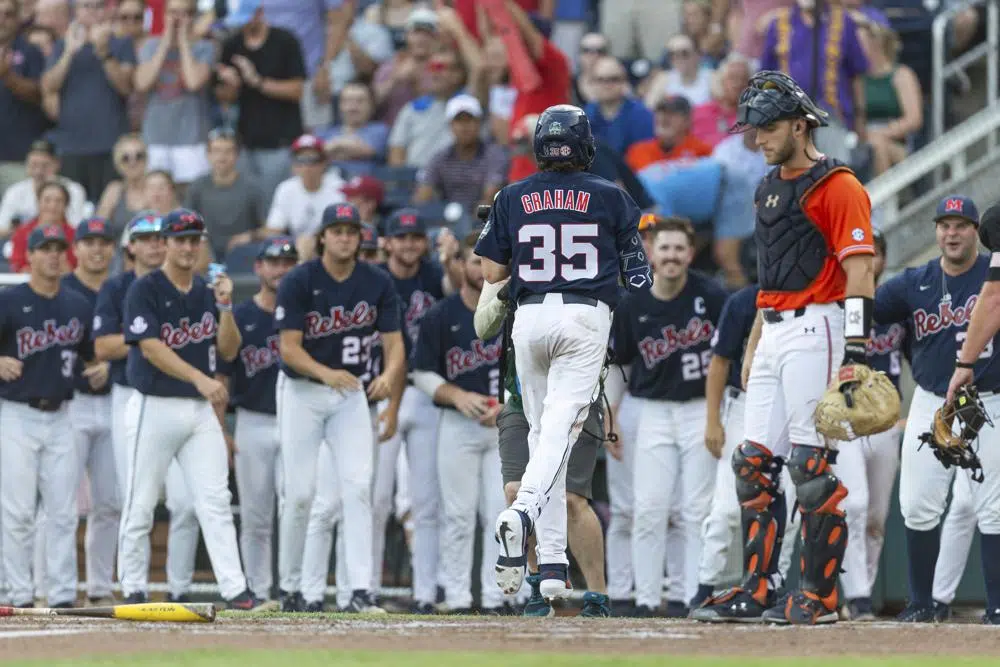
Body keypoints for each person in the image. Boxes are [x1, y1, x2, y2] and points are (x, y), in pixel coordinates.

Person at [692, 70, 875, 625]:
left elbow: (861, 270)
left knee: (811, 466)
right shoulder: (768, 185)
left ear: (801, 124)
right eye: (752, 127)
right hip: (773, 327)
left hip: (818, 326)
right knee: (752, 464)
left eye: (768, 127)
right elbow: (769, 278)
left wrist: (857, 351)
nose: (757, 137)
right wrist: (754, 341)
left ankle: (819, 596)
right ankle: (757, 588)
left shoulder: (839, 185)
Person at [474, 104, 652, 600]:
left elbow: (491, 273)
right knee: (555, 437)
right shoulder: (610, 195)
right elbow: (639, 275)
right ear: (585, 144)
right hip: (583, 315)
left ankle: (551, 568)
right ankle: (523, 510)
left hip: (528, 318)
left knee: (540, 437)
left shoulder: (511, 195)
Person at [118, 208, 265, 610]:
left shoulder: (206, 292)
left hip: (198, 411)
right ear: (164, 243)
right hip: (154, 405)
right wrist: (199, 377)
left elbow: (230, 349)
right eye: (180, 239)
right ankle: (133, 586)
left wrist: (227, 307)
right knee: (141, 503)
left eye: (194, 239)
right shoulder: (144, 289)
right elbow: (150, 347)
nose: (187, 246)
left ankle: (236, 589)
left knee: (215, 501)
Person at [274, 202, 405, 614]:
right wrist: (325, 373)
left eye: (352, 230)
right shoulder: (299, 279)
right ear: (323, 237)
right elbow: (288, 349)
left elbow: (395, 344)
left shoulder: (377, 281)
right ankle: (291, 587)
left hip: (352, 394)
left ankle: (361, 591)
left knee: (358, 488)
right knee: (299, 494)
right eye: (337, 230)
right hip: (304, 391)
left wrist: (390, 373)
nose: (345, 237)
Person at [878, 196, 1000, 624]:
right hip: (934, 401)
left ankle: (997, 607)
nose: (952, 233)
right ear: (936, 231)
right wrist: (854, 352)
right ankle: (921, 603)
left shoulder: (993, 270)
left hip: (989, 400)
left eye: (961, 225)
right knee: (917, 504)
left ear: (975, 231)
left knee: (993, 506)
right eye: (944, 225)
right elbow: (865, 306)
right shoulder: (915, 281)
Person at [606, 217, 729, 617]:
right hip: (652, 410)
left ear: (690, 254)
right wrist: (610, 418)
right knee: (649, 508)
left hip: (699, 409)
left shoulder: (712, 295)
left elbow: (728, 359)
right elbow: (618, 365)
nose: (672, 256)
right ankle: (642, 600)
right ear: (651, 254)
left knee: (695, 511)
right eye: (665, 249)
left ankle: (688, 596)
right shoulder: (631, 303)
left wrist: (718, 416)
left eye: (679, 249)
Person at [92, 211, 200, 605]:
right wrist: (148, 339)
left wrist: (148, 340)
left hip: (183, 398)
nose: (155, 243)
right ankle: (133, 585)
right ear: (130, 247)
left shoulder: (188, 285)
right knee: (136, 496)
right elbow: (102, 346)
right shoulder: (118, 286)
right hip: (132, 397)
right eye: (146, 237)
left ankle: (180, 587)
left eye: (161, 237)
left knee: (186, 502)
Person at [411, 232, 507, 614]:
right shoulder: (440, 314)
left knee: (499, 515)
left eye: (488, 261)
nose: (481, 269)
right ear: (461, 266)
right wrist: (457, 395)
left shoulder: (515, 311)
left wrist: (508, 404)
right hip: (456, 423)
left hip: (505, 425)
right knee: (458, 514)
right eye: (474, 261)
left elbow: (533, 370)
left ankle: (499, 596)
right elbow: (422, 374)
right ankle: (457, 596)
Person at [0, 225, 95, 609]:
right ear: (30, 257)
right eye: (45, 249)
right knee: (19, 511)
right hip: (17, 414)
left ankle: (61, 595)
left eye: (59, 249)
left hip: (62, 414)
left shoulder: (76, 304)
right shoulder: (9, 300)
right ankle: (19, 594)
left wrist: (99, 367)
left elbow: (89, 353)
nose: (54, 255)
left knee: (62, 512)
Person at [370, 208, 458, 614]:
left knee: (426, 500)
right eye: (400, 237)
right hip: (383, 390)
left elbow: (461, 291)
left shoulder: (432, 275)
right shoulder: (375, 279)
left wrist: (448, 259)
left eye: (414, 237)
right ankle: (365, 588)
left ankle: (428, 591)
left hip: (425, 390)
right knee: (375, 498)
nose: (408, 244)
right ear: (387, 242)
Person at [218, 236, 298, 602]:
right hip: (251, 419)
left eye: (288, 262)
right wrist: (222, 429)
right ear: (259, 267)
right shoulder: (242, 316)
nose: (281, 269)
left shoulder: (304, 312)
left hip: (297, 421)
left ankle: (293, 589)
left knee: (298, 507)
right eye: (274, 262)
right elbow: (223, 376)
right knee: (255, 516)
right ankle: (259, 591)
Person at [835, 228, 906, 621]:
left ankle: (860, 596)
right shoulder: (835, 303)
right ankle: (858, 595)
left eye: (876, 253)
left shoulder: (896, 305)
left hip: (884, 422)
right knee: (855, 506)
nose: (870, 260)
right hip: (846, 420)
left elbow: (915, 356)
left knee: (876, 517)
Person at [62, 217, 117, 606]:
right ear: (76, 248)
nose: (97, 249)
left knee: (109, 502)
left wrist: (111, 366)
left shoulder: (122, 288)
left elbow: (141, 340)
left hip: (116, 401)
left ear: (113, 248)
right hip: (70, 404)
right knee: (59, 503)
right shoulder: (62, 289)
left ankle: (99, 587)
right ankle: (56, 587)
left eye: (103, 242)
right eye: (89, 242)